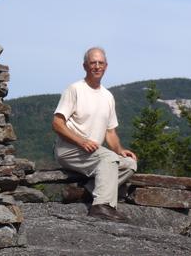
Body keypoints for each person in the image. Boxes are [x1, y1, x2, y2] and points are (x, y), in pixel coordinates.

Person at [52, 47, 137, 222]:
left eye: (100, 63)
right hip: (70, 150)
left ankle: (88, 190)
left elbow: (110, 131)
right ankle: (102, 207)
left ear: (106, 66)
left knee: (129, 164)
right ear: (85, 66)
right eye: (93, 63)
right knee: (108, 159)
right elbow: (57, 124)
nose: (97, 66)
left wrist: (119, 149)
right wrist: (81, 141)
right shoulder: (75, 89)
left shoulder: (108, 96)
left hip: (92, 152)